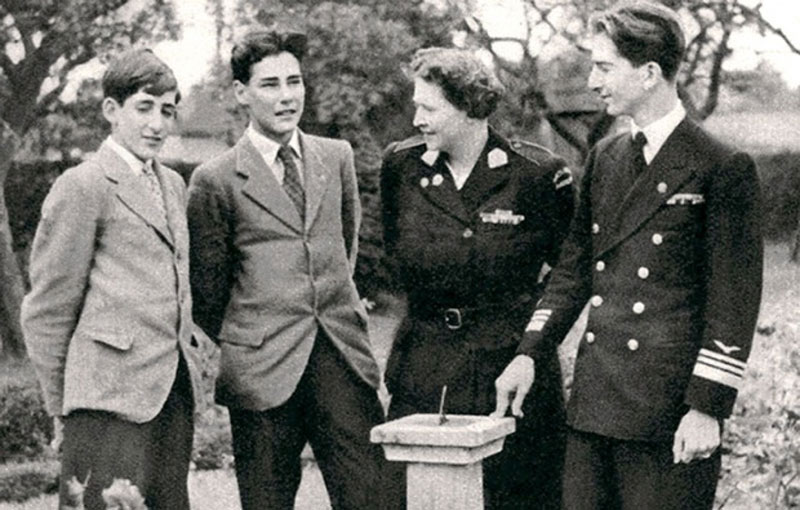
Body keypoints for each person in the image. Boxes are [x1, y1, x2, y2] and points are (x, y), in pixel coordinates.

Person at [493, 3, 763, 509]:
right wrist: (529, 352)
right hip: (594, 408)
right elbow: (574, 270)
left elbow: (734, 300)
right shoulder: (606, 157)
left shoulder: (720, 166)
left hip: (668, 415)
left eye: (604, 67)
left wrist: (707, 407)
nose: (592, 82)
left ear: (649, 73)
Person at [187, 29, 390, 510]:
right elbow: (207, 291)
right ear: (242, 93)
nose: (287, 96)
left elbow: (344, 249)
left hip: (341, 358)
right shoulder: (215, 180)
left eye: (294, 82)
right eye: (270, 84)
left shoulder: (335, 157)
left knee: (375, 497)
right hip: (262, 374)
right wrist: (253, 335)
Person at [381, 47, 574, 509]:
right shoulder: (401, 167)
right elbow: (395, 251)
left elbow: (570, 274)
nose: (417, 119)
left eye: (429, 109)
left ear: (469, 108)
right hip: (425, 368)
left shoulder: (537, 175)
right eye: (416, 106)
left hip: (510, 370)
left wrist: (532, 350)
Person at [21, 49, 203, 510]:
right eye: (144, 108)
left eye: (167, 111)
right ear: (111, 110)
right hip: (104, 404)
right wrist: (62, 408)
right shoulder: (84, 185)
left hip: (169, 395)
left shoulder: (173, 184)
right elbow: (47, 310)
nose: (157, 124)